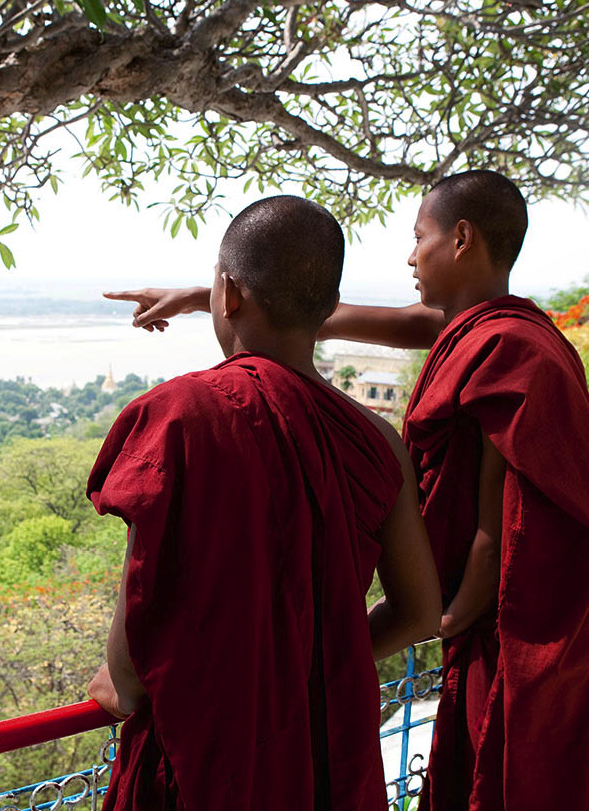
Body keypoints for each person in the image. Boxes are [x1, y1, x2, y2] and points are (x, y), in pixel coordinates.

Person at [106, 171, 589, 811]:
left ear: (463, 237)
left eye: (420, 237)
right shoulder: (385, 426)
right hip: (341, 723)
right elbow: (397, 322)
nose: (410, 255)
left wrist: (462, 605)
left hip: (517, 632)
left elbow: (502, 526)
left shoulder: (511, 346)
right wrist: (217, 296)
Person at [85, 195, 441, 811]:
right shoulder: (377, 439)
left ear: (227, 293)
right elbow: (418, 611)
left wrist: (120, 676)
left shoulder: (180, 415)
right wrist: (308, 655)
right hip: (327, 752)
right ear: (329, 308)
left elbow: (135, 637)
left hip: (204, 753)